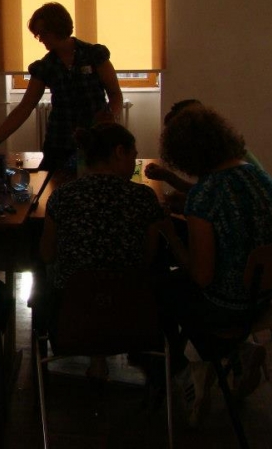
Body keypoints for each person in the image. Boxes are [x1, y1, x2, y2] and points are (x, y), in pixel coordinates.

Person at [157, 105, 272, 425]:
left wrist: (170, 234)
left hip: (228, 306)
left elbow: (201, 276)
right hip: (263, 294)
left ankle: (190, 370)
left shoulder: (206, 194)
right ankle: (237, 350)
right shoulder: (260, 177)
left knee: (160, 287)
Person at [38, 123, 168, 378]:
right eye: (133, 155)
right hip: (132, 315)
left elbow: (46, 254)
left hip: (72, 318)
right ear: (119, 152)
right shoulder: (144, 198)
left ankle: (93, 360)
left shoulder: (62, 197)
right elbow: (148, 256)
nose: (134, 163)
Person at [0, 2, 124, 172]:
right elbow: (25, 107)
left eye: (43, 33)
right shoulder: (45, 66)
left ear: (58, 28)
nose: (40, 39)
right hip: (59, 143)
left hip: (95, 141)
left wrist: (109, 118)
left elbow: (115, 94)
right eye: (38, 35)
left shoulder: (94, 54)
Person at [145, 98, 265, 212]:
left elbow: (212, 201)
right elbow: (212, 195)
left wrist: (191, 206)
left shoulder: (223, 175)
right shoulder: (239, 166)